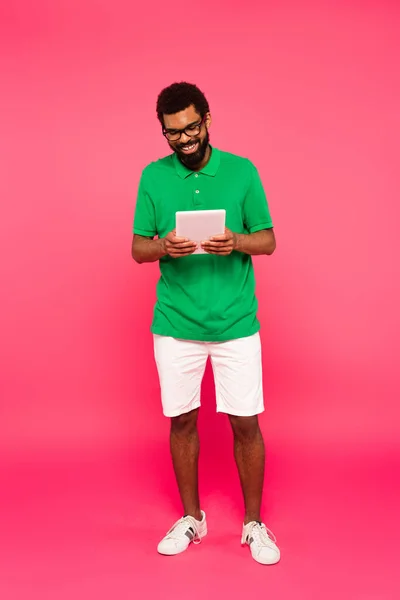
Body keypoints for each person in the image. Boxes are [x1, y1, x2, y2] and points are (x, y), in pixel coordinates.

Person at [131, 82, 280, 565]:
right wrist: (164, 246)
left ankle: (254, 523)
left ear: (208, 120)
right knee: (182, 420)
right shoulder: (153, 178)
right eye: (173, 132)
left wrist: (236, 241)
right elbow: (138, 248)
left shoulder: (242, 171)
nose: (185, 139)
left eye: (192, 127)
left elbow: (269, 240)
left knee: (246, 423)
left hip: (236, 322)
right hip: (176, 324)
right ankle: (192, 518)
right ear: (164, 133)